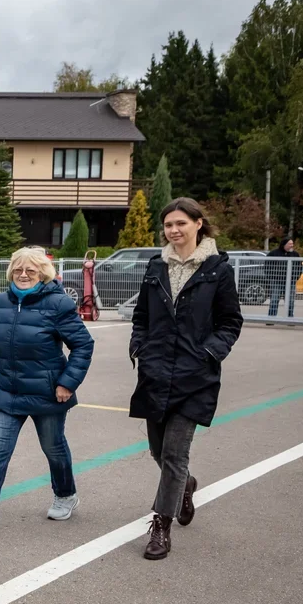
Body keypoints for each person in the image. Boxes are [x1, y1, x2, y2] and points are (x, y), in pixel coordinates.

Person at [130, 198, 243, 560]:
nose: (173, 230)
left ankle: (160, 526)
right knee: (158, 452)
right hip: (156, 372)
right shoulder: (155, 267)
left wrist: (209, 353)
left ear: (198, 224)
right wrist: (139, 348)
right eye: (168, 225)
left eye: (180, 223)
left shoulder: (217, 270)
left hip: (195, 376)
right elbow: (141, 317)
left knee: (175, 454)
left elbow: (230, 322)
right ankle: (186, 485)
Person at [0, 246, 94, 533]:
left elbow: (83, 345)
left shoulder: (58, 304)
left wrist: (67, 383)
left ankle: (66, 495)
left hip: (47, 392)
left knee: (53, 448)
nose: (23, 275)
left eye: (30, 270)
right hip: (6, 390)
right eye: (18, 270)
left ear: (42, 273)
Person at [266, 237, 301, 319]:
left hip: (291, 282)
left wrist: (296, 277)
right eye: (290, 244)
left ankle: (289, 317)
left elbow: (299, 267)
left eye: (292, 244)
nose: (291, 245)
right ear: (284, 244)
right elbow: (267, 266)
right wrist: (270, 277)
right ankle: (271, 318)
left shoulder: (295, 254)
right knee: (274, 300)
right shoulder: (273, 253)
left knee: (290, 301)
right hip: (276, 281)